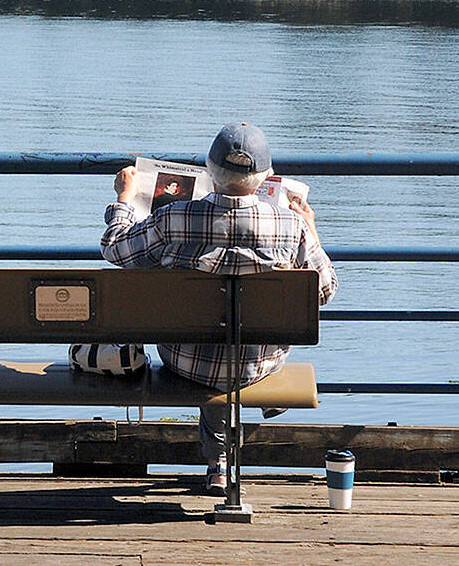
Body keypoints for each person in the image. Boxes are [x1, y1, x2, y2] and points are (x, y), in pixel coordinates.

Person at [97, 122, 337, 494]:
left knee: (213, 351)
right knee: (235, 347)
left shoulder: (173, 218)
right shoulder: (292, 226)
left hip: (186, 359)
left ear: (209, 171)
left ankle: (219, 464)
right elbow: (324, 290)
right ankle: (222, 462)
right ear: (266, 177)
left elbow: (115, 248)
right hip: (259, 362)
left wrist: (125, 198)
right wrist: (312, 229)